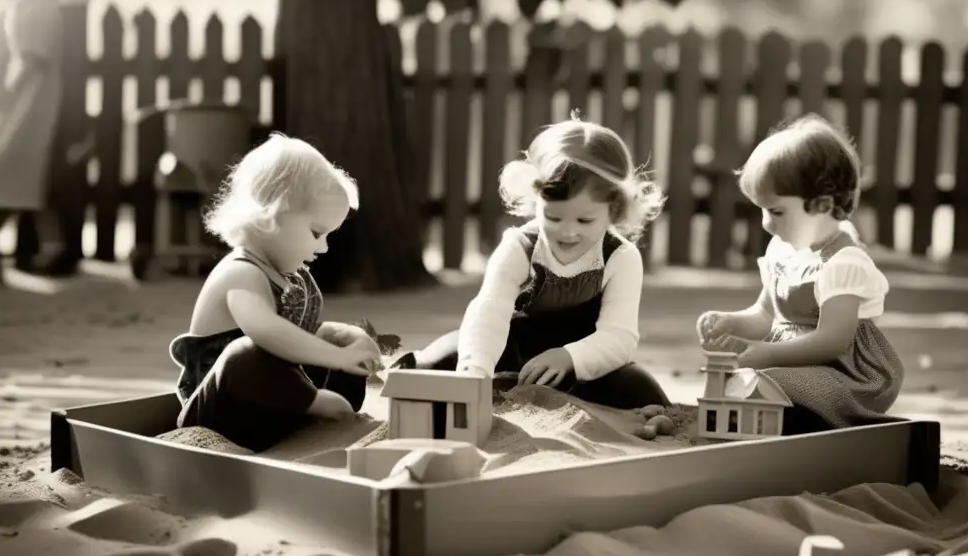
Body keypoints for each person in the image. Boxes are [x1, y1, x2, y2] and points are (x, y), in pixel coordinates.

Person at [393, 111, 670, 411]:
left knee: (638, 388)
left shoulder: (620, 257)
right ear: (534, 199)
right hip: (512, 348)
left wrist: (569, 357)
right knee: (439, 364)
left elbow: (618, 336)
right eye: (553, 216)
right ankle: (470, 377)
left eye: (585, 219)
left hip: (582, 361)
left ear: (614, 210)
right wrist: (474, 373)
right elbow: (489, 311)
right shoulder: (521, 246)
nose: (568, 231)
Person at [170, 133, 382, 452]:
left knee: (331, 350)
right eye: (316, 232)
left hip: (265, 409)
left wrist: (339, 338)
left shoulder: (285, 277)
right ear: (271, 214)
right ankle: (312, 403)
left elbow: (294, 341)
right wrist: (333, 356)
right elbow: (267, 332)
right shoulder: (241, 272)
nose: (323, 247)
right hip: (219, 415)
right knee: (245, 353)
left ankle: (317, 416)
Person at [697, 113, 904, 434]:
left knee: (766, 381)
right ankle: (756, 429)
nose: (767, 223)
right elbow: (765, 315)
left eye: (776, 211)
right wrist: (731, 322)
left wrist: (767, 353)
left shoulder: (842, 263)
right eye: (763, 211)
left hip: (846, 374)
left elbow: (832, 341)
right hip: (795, 360)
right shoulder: (782, 249)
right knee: (738, 379)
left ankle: (808, 430)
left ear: (821, 205)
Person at [0, 0, 64, 283]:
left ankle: (52, 249)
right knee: (11, 181)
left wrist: (8, 92)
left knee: (8, 175)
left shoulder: (36, 6)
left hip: (26, 104)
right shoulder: (27, 2)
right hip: (20, 104)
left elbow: (31, 59)